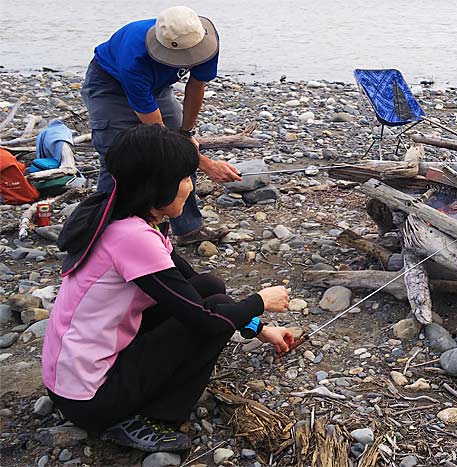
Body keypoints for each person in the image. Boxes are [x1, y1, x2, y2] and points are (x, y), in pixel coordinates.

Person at [42, 125, 293, 452]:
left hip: (69, 382)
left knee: (208, 286)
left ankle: (135, 402)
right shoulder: (134, 239)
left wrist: (259, 329)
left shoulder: (121, 215)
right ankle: (149, 418)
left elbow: (190, 286)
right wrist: (260, 301)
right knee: (210, 316)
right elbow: (204, 319)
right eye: (186, 179)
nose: (190, 188)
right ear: (156, 186)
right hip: (89, 399)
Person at [81, 5, 240, 245]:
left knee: (183, 147)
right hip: (110, 86)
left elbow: (196, 86)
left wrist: (187, 134)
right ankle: (99, 234)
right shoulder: (133, 57)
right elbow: (159, 138)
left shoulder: (205, 37)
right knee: (116, 157)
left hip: (158, 87)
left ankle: (188, 230)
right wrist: (206, 164)